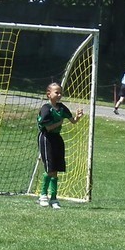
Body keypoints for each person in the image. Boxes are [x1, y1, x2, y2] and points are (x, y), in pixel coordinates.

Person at [37, 82, 83, 210]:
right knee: (49, 168)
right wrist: (59, 122)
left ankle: (54, 198)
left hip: (57, 139)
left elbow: (72, 121)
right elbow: (48, 127)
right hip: (46, 138)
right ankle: (42, 195)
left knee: (56, 169)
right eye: (56, 92)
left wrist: (77, 117)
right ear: (49, 94)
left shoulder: (62, 108)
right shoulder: (46, 109)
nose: (59, 95)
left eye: (60, 93)